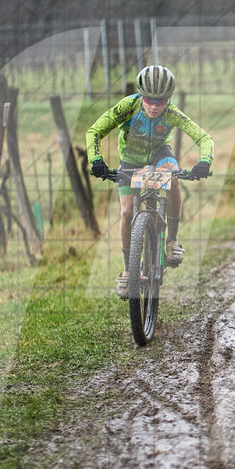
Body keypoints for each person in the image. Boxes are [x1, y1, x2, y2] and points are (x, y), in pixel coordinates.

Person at [87, 65, 214, 298]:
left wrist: (204, 161)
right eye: (149, 100)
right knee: (126, 212)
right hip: (130, 160)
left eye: (161, 101)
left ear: (169, 99)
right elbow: (94, 131)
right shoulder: (127, 106)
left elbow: (203, 137)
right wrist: (96, 160)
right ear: (140, 95)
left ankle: (172, 240)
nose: (155, 106)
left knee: (174, 178)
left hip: (159, 155)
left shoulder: (172, 112)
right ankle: (128, 270)